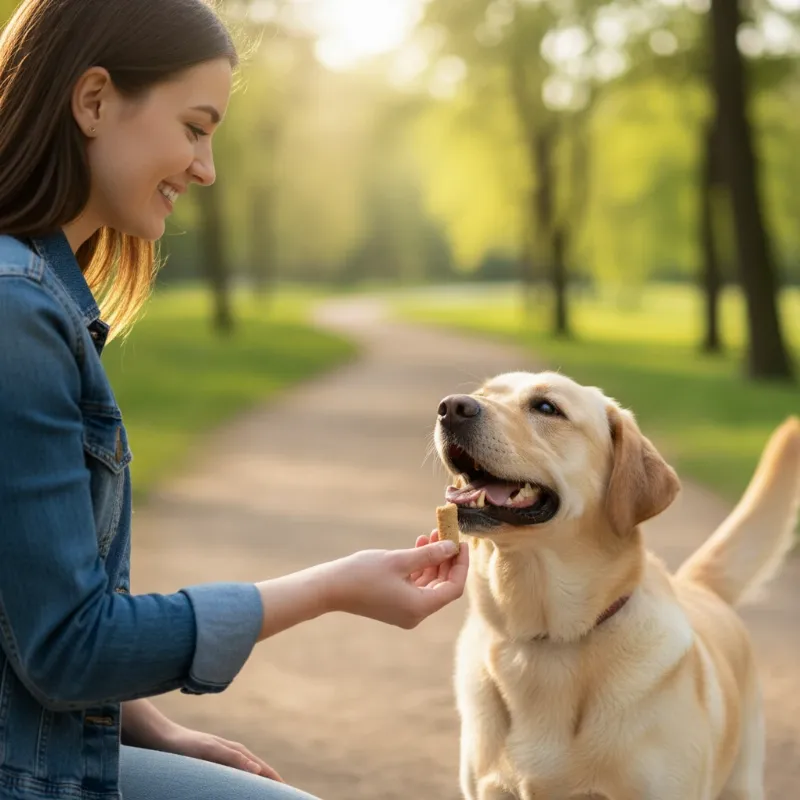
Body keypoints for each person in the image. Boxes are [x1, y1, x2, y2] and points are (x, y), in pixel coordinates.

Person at [0, 1, 469, 799]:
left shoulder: (33, 297)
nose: (207, 167)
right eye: (193, 126)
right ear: (94, 101)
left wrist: (155, 731)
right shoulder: (17, 312)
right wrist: (331, 589)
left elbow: (27, 606)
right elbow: (69, 646)